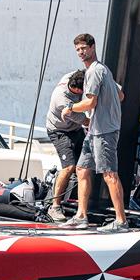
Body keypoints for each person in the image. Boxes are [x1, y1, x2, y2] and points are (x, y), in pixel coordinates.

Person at [59, 33, 128, 233]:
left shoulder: (94, 72)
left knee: (109, 174)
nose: (81, 53)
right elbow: (121, 95)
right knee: (81, 169)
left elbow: (90, 102)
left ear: (92, 47)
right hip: (95, 130)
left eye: (83, 49)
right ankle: (81, 216)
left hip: (104, 131)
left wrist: (70, 108)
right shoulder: (103, 70)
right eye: (78, 50)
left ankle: (121, 221)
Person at [45, 69, 88, 222]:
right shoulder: (63, 101)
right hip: (59, 131)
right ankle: (54, 207)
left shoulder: (70, 77)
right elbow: (86, 121)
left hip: (75, 129)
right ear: (77, 90)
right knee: (69, 167)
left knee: (85, 165)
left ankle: (81, 202)